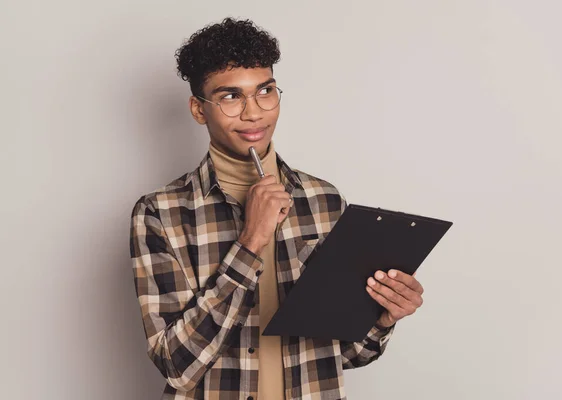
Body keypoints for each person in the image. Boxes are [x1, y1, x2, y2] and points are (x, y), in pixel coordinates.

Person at [129, 17, 425, 400]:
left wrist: (383, 317)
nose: (254, 112)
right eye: (231, 97)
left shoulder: (324, 201)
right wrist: (251, 241)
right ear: (199, 109)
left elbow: (347, 354)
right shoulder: (160, 213)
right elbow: (176, 365)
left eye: (265, 91)